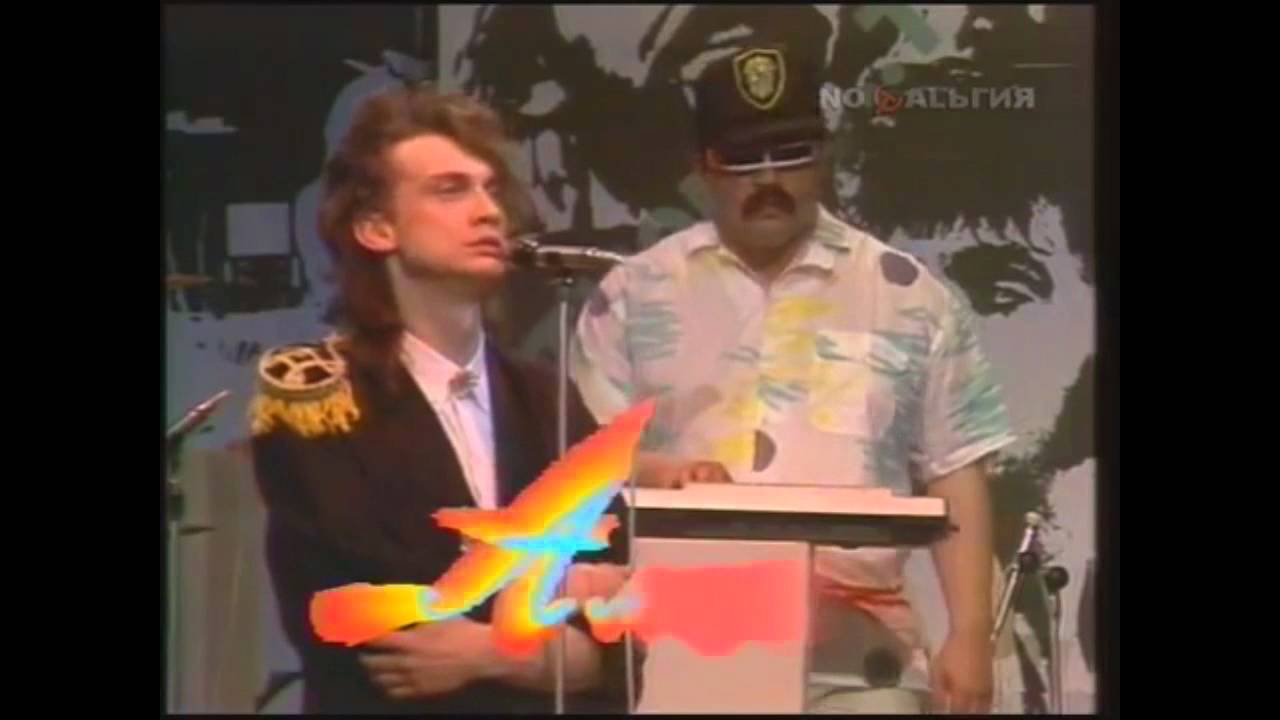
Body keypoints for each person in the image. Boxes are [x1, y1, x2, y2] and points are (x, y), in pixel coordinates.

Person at [570, 44, 1017, 714]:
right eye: (743, 159)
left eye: (791, 154)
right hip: (682, 640)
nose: (769, 179)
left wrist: (972, 632)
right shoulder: (634, 295)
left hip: (863, 653)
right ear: (703, 166)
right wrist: (664, 472)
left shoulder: (906, 295)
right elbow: (581, 465)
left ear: (825, 156)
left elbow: (956, 466)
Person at [248, 85, 641, 714]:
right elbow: (377, 628)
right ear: (376, 227)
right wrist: (550, 619)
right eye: (450, 190)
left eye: (490, 189)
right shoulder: (321, 399)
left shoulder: (547, 400)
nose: (489, 212)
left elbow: (622, 644)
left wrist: (488, 651)